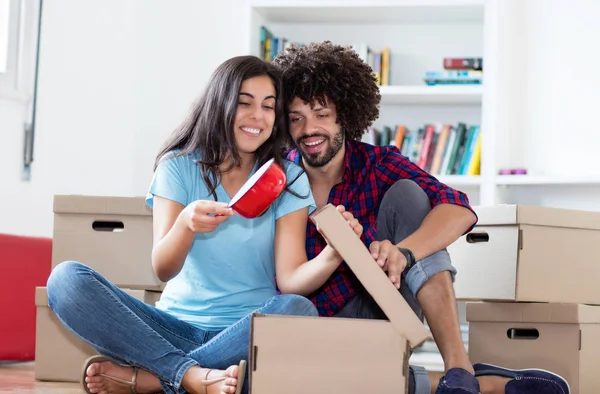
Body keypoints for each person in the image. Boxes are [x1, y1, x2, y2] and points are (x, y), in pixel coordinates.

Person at [46, 55, 362, 394]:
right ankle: (193, 376)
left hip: (247, 330)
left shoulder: (288, 178)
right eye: (245, 103)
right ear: (221, 104)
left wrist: (332, 255)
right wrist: (185, 225)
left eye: (269, 107)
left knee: (298, 310)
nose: (258, 116)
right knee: (65, 281)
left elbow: (291, 281)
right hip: (172, 327)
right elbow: (163, 268)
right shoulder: (178, 167)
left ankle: (156, 379)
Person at [272, 41, 571, 394]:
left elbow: (458, 209)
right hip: (312, 334)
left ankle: (457, 367)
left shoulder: (378, 163)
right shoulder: (277, 176)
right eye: (296, 118)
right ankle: (479, 384)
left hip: (382, 315)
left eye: (322, 114)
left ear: (345, 115)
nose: (309, 129)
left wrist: (404, 252)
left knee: (410, 196)